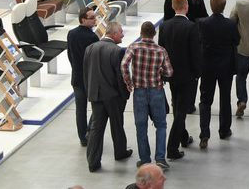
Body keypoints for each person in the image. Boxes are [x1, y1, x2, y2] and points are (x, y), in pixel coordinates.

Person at [122, 21, 173, 170]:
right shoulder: (161, 50)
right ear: (154, 34)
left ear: (141, 33)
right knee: (161, 125)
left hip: (139, 91)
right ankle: (160, 159)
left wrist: (129, 82)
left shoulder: (133, 47)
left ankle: (145, 160)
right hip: (156, 91)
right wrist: (160, 71)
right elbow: (169, 72)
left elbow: (124, 64)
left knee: (141, 126)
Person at [84, 22, 132, 172]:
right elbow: (120, 76)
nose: (122, 35)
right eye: (121, 32)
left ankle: (93, 162)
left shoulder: (90, 48)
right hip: (113, 96)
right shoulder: (117, 51)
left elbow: (86, 72)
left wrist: (89, 91)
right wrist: (125, 94)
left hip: (95, 94)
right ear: (113, 34)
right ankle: (120, 152)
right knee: (117, 125)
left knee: (96, 128)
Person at [158, 0, 201, 161]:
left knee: (177, 106)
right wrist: (197, 73)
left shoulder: (164, 26)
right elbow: (195, 53)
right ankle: (172, 148)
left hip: (171, 74)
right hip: (187, 75)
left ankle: (183, 137)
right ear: (186, 7)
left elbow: (162, 50)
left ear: (173, 7)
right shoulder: (191, 27)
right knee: (181, 111)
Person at [197, 0, 240, 149]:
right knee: (225, 98)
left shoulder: (202, 23)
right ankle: (224, 130)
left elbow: (199, 41)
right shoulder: (230, 24)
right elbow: (237, 40)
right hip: (225, 67)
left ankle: (204, 134)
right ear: (224, 7)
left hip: (207, 67)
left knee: (205, 101)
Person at [66, 9, 99, 147]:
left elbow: (70, 55)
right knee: (97, 107)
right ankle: (90, 131)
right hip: (89, 78)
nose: (95, 20)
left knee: (80, 109)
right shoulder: (93, 37)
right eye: (92, 18)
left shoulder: (71, 33)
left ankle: (82, 137)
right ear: (83, 19)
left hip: (77, 77)